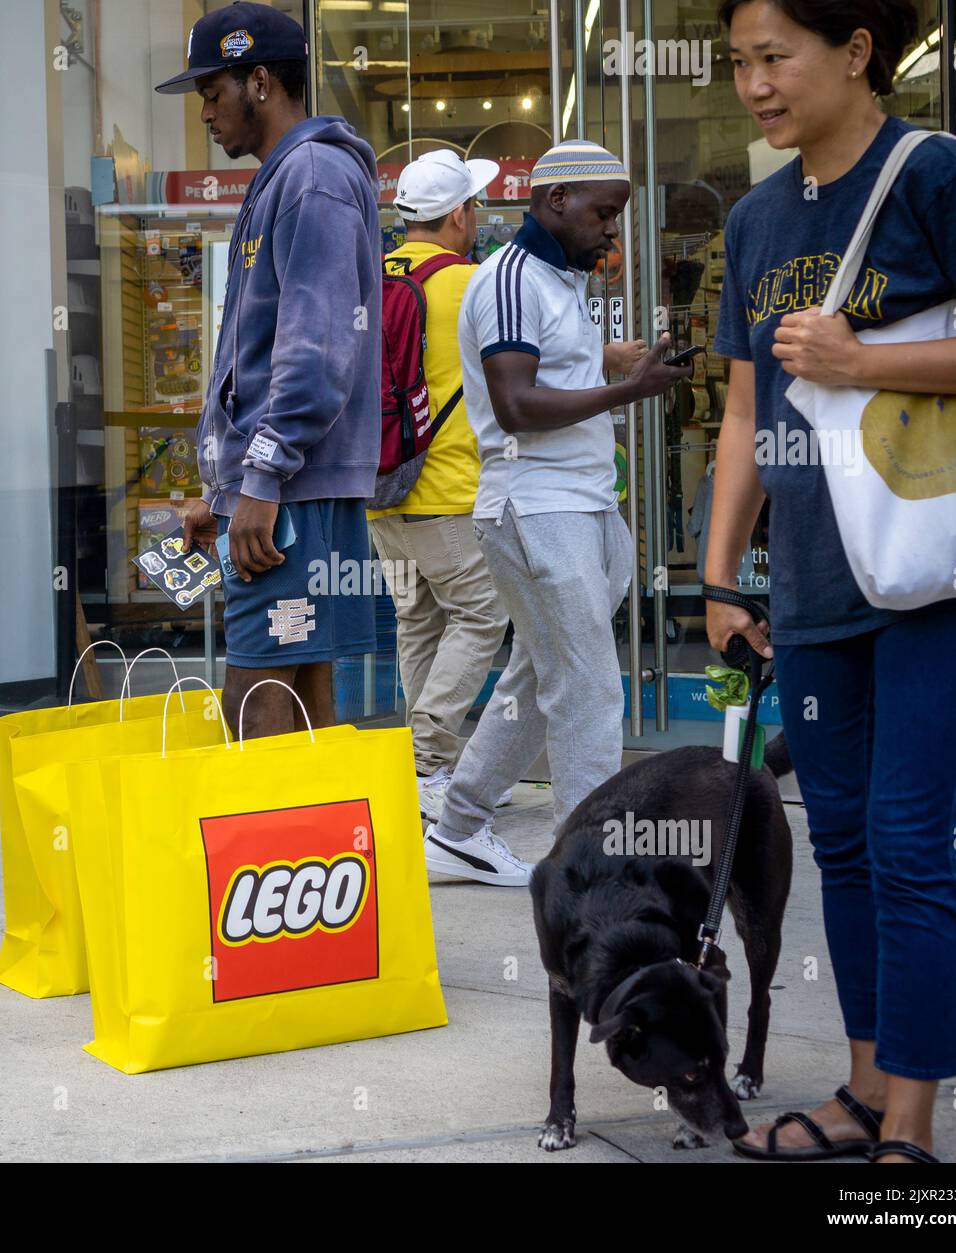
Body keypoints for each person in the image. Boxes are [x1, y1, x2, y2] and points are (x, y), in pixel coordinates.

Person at [711, 0, 956, 1163]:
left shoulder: (940, 175)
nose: (755, 85)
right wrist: (721, 568)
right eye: (738, 63)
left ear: (853, 52)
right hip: (816, 575)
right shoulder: (753, 217)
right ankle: (859, 1087)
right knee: (835, 834)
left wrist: (862, 361)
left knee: (903, 835)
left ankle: (911, 1126)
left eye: (774, 57)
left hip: (938, 566)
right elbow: (744, 407)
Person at [422, 140, 694, 887]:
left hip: (579, 506)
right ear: (552, 203)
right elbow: (514, 406)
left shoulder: (554, 279)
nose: (612, 230)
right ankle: (590, 871)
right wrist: (626, 393)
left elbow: (553, 377)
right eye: (604, 213)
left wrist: (621, 370)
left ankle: (457, 830)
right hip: (536, 507)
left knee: (538, 678)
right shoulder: (509, 278)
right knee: (591, 687)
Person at [160, 3, 381, 739]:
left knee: (254, 711)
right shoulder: (292, 175)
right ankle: (326, 853)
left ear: (259, 81)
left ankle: (267, 856)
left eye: (212, 92)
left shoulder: (311, 176)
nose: (205, 114)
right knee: (303, 701)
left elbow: (315, 351)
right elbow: (264, 358)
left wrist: (259, 481)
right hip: (288, 488)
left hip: (291, 495)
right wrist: (224, 489)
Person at [366, 150, 510, 819]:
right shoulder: (472, 284)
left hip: (380, 494)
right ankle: (426, 757)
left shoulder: (367, 275)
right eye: (474, 206)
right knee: (483, 614)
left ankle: (425, 776)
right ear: (457, 214)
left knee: (417, 622)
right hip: (449, 497)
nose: (476, 217)